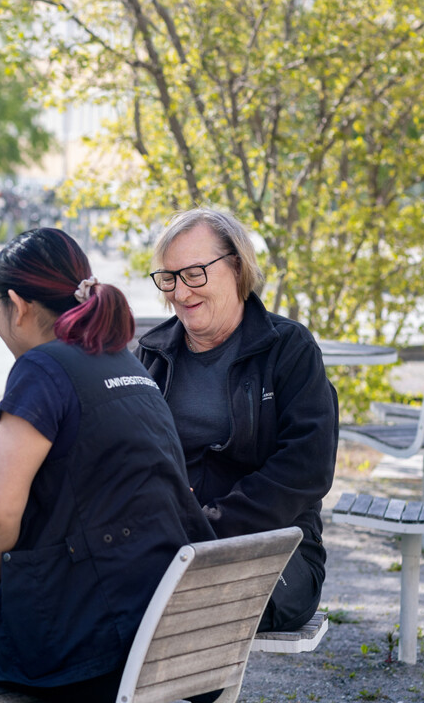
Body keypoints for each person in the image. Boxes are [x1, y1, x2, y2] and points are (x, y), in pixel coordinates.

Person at [0, 227, 215, 702]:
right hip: (164, 621)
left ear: (18, 305)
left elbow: (0, 517)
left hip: (97, 640)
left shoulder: (42, 368)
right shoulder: (124, 363)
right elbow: (93, 493)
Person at [136, 207, 338, 632]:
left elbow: (306, 469)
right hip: (169, 546)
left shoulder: (289, 349)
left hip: (275, 547)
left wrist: (211, 524)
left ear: (237, 266)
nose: (180, 292)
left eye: (194, 273)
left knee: (193, 601)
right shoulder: (152, 355)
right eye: (169, 278)